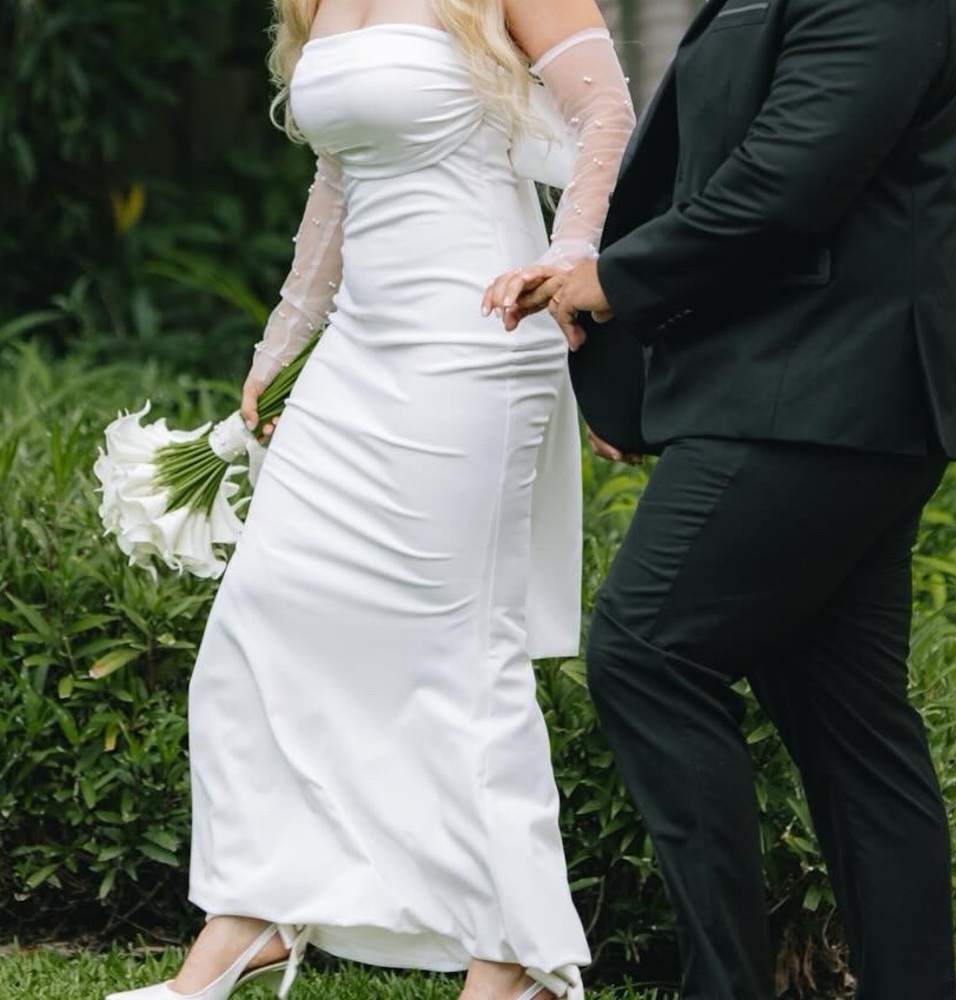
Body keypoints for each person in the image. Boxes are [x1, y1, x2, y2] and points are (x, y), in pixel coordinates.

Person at [106, 2, 635, 1000]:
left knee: (460, 656)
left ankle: (510, 954)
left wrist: (565, 266)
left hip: (478, 338)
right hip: (358, 350)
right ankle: (248, 919)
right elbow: (339, 178)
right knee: (259, 624)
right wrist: (280, 345)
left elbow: (606, 111)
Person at [498, 0, 956, 997]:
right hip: (794, 392)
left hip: (825, 397)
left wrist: (611, 285)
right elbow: (705, 166)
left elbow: (781, 190)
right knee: (852, 732)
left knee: (644, 651)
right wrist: (645, 367)